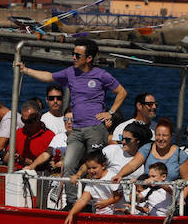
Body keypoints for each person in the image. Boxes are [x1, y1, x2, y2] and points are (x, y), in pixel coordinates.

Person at [17, 39, 127, 206]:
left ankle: (91, 204)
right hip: (76, 129)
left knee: (94, 167)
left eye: (77, 55)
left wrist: (110, 112)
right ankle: (72, 202)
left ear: (89, 58)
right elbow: (48, 76)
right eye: (73, 54)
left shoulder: (101, 75)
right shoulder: (70, 72)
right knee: (68, 165)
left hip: (95, 128)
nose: (73, 57)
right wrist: (26, 70)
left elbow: (121, 92)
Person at [116, 118, 188, 210]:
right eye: (158, 135)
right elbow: (132, 165)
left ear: (171, 136)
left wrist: (181, 199)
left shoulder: (181, 155)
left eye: (164, 135)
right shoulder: (147, 149)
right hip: (149, 198)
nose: (160, 138)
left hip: (170, 200)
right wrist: (120, 175)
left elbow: (187, 182)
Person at [64, 149, 125, 224]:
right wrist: (71, 213)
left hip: (118, 217)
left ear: (103, 165)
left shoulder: (112, 177)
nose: (91, 171)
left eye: (94, 168)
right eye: (89, 168)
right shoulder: (91, 180)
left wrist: (106, 202)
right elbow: (83, 199)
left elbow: (118, 196)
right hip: (100, 217)